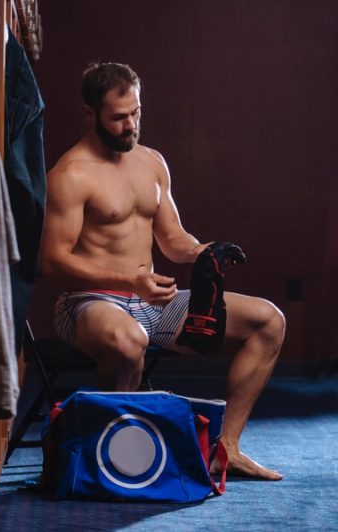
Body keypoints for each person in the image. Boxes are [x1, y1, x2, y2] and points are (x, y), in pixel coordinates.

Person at [40, 62, 285, 480]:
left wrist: (205, 251)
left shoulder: (152, 162)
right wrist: (127, 281)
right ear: (89, 113)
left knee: (268, 320)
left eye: (136, 113)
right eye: (119, 117)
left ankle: (225, 451)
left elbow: (173, 240)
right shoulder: (70, 175)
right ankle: (108, 463)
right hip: (89, 303)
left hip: (152, 300)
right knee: (127, 340)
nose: (130, 125)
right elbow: (53, 263)